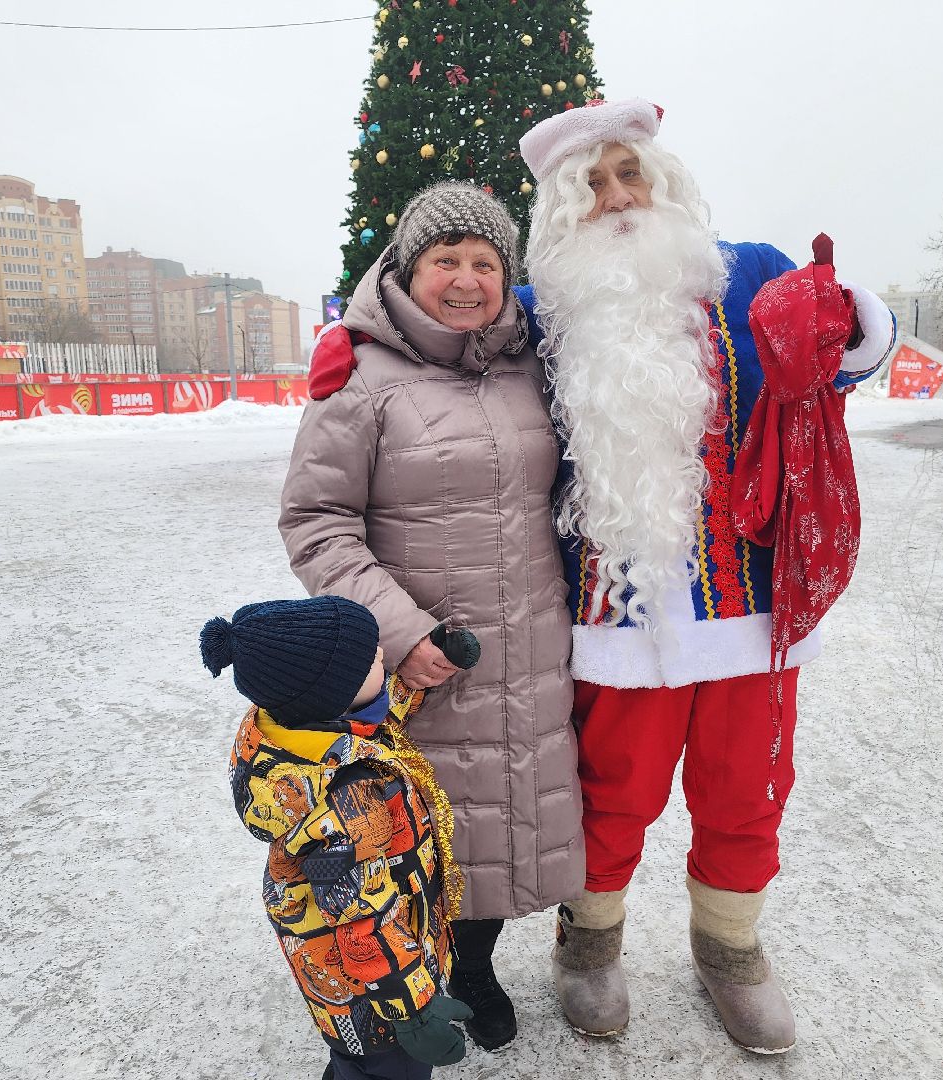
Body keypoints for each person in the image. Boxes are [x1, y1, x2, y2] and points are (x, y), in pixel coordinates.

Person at [514, 98, 897, 1055]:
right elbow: (441, 340)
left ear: (662, 178)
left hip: (752, 600)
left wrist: (847, 321)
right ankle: (589, 944)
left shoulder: (747, 270)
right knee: (612, 789)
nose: (614, 196)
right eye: (590, 184)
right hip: (616, 607)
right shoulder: (539, 309)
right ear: (564, 208)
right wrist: (361, 337)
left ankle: (730, 951)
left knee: (746, 787)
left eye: (627, 173)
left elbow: (845, 358)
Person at [279, 182, 583, 1053]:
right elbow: (315, 520)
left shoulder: (532, 362)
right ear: (408, 270)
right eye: (445, 258)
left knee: (500, 825)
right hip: (423, 662)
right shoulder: (361, 371)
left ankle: (472, 968)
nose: (465, 278)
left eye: (485, 262)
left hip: (528, 648)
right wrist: (398, 630)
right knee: (411, 836)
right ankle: (406, 978)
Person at [202, 596, 473, 1080]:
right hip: (370, 992)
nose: (384, 658)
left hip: (356, 965)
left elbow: (376, 710)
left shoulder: (304, 729)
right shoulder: (344, 801)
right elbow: (362, 919)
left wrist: (426, 669)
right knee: (387, 1069)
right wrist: (414, 1009)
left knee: (356, 1066)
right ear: (335, 691)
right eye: (371, 657)